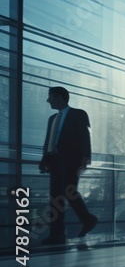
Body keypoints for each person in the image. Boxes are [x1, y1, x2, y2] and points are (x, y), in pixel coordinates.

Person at [39, 86, 98, 249]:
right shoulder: (52, 118)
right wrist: (44, 158)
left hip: (72, 160)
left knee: (67, 191)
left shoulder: (78, 114)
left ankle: (87, 219)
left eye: (50, 96)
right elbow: (49, 140)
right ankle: (57, 234)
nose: (48, 100)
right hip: (54, 161)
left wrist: (86, 157)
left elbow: (85, 136)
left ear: (59, 97)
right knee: (55, 196)